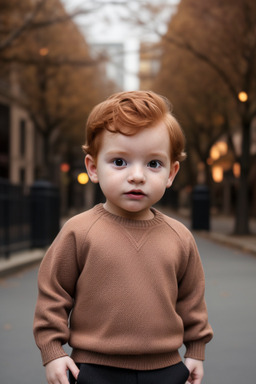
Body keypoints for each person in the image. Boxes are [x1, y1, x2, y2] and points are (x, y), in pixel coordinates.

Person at [33, 90, 213, 384]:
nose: (137, 176)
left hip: (165, 369)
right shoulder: (79, 231)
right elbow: (53, 294)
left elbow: (192, 298)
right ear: (93, 168)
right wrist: (52, 351)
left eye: (153, 164)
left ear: (171, 173)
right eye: (120, 162)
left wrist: (195, 350)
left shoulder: (179, 237)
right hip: (93, 368)